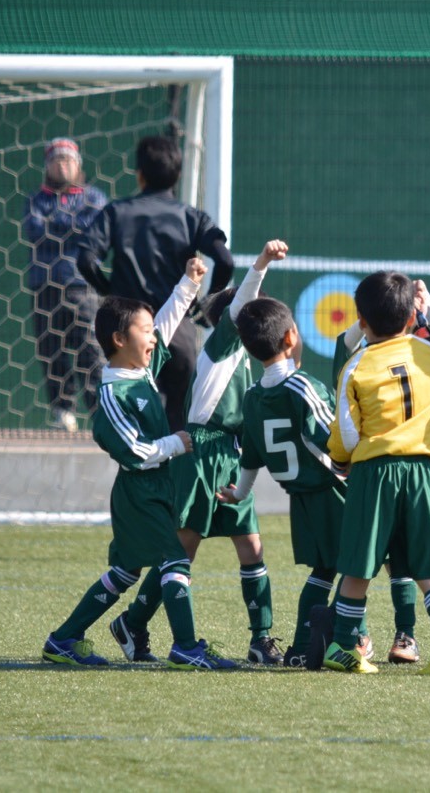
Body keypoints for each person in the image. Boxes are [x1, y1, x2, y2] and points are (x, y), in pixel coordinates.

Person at [41, 257, 237, 670]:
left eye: (150, 332)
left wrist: (187, 284)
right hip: (139, 492)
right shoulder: (113, 394)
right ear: (118, 339)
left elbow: (164, 324)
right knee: (175, 562)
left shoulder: (139, 372)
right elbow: (133, 452)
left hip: (156, 487)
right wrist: (176, 443)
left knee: (126, 571)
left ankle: (63, 639)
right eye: (142, 332)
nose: (153, 338)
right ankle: (185, 646)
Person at [323, 270, 430, 675]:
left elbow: (347, 434)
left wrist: (338, 461)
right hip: (422, 471)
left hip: (374, 473)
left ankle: (342, 646)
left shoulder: (356, 366)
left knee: (358, 565)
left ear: (362, 322)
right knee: (429, 565)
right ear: (412, 316)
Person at [156, 239, 289, 666]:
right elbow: (245, 300)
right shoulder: (223, 342)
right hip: (200, 456)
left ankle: (261, 638)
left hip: (229, 456)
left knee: (252, 547)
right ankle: (147, 627)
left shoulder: (245, 359)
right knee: (182, 552)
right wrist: (262, 262)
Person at [218, 293, 346, 668]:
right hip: (332, 490)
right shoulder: (302, 387)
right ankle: (349, 638)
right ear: (291, 337)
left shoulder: (254, 397)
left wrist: (238, 492)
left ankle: (301, 647)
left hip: (300, 499)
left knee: (324, 570)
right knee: (363, 563)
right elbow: (332, 437)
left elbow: (252, 455)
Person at [75, 135, 234, 431]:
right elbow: (225, 261)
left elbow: (85, 260)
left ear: (140, 174)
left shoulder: (115, 212)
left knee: (132, 431)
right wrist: (207, 305)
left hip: (130, 335)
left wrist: (109, 293)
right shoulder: (192, 218)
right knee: (180, 427)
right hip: (179, 336)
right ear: (177, 174)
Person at [22, 137, 108, 432]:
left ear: (79, 165)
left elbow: (94, 228)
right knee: (51, 350)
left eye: (69, 160)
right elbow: (34, 231)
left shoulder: (94, 197)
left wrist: (56, 224)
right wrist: (72, 223)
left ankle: (100, 414)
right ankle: (62, 412)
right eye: (57, 160)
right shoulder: (36, 200)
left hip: (82, 286)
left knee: (90, 350)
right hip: (44, 285)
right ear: (48, 166)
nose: (63, 165)